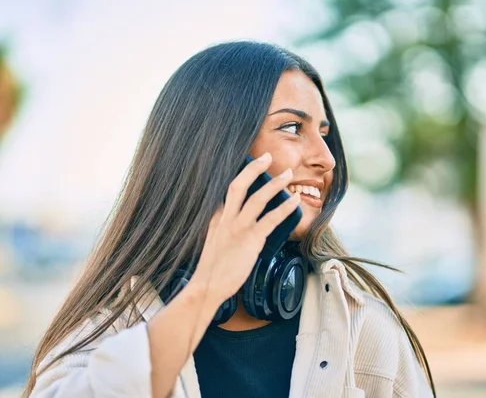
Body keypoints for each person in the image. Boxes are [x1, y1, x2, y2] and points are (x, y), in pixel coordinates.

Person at [24, 41, 436, 398]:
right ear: (214, 151)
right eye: (293, 128)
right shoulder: (111, 326)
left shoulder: (362, 327)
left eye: (324, 134)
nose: (326, 159)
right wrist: (207, 290)